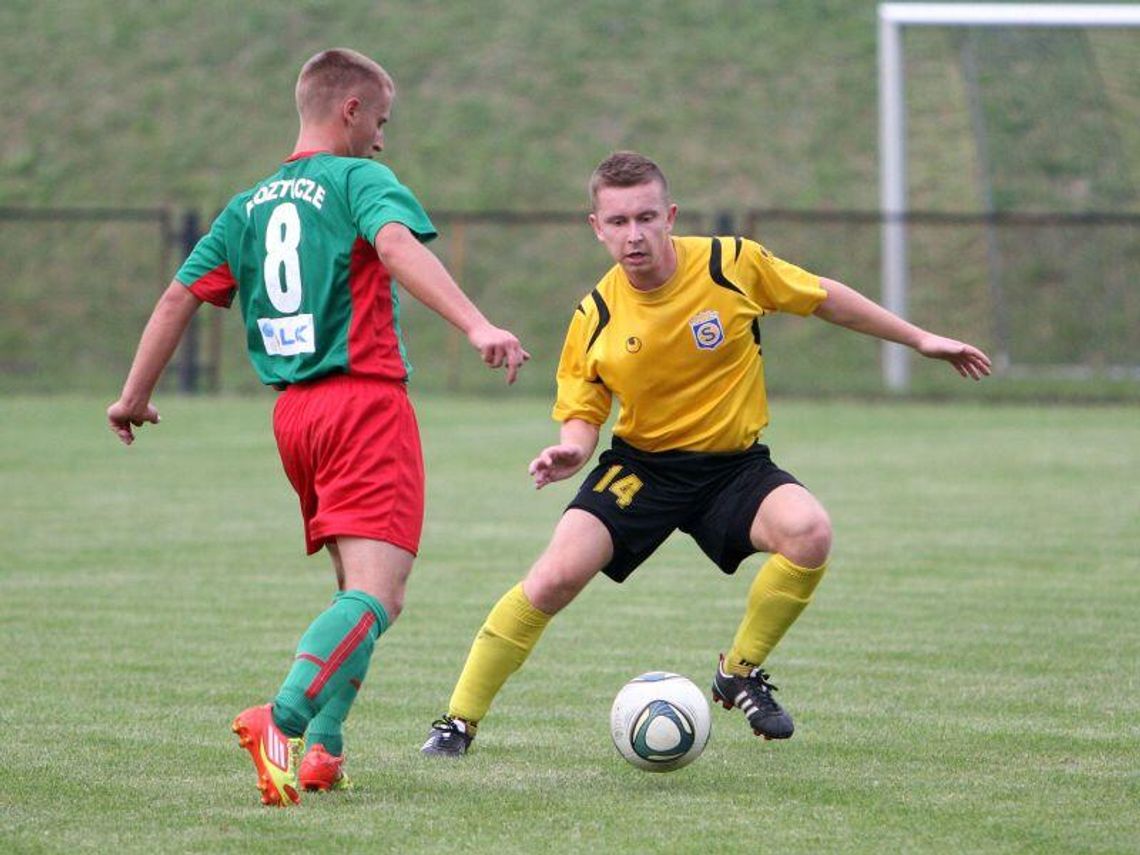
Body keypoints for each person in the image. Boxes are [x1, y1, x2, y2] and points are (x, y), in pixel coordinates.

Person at [421, 150, 990, 756]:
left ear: (669, 215)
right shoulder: (596, 314)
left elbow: (821, 295)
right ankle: (458, 722)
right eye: (617, 222)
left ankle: (739, 671)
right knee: (555, 576)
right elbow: (582, 414)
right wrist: (570, 450)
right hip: (643, 467)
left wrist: (919, 338)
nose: (633, 235)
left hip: (733, 468)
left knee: (809, 531)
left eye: (645, 217)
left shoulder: (731, 263)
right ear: (597, 228)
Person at [107, 48, 529, 805]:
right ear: (351, 111)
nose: (382, 140)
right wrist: (476, 324)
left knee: (359, 592)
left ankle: (324, 752)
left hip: (294, 416)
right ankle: (282, 717)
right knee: (376, 594)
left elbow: (177, 299)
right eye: (382, 121)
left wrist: (132, 396)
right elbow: (396, 246)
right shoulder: (357, 179)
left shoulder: (247, 206)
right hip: (362, 401)